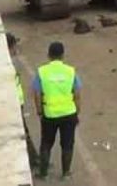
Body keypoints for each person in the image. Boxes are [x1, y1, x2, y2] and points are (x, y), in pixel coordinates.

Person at [32, 42, 81, 179]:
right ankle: (66, 173)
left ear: (48, 55)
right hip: (69, 113)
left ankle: (43, 173)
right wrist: (77, 111)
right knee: (67, 144)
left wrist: (39, 111)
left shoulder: (42, 72)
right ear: (63, 55)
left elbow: (36, 94)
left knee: (46, 143)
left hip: (49, 114)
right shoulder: (71, 71)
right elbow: (77, 94)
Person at [7, 33, 40, 170]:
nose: (16, 50)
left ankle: (34, 159)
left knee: (24, 132)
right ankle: (33, 161)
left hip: (15, 102)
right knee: (23, 132)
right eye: (14, 47)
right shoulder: (10, 64)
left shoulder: (8, 63)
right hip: (14, 104)